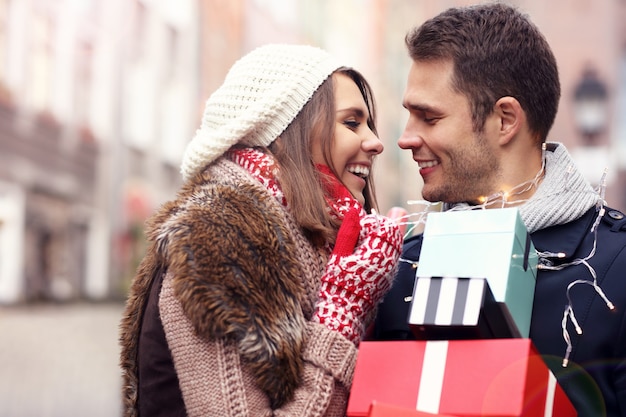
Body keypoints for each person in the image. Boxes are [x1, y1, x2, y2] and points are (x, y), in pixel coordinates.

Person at [118, 43, 403, 417]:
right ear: (283, 132)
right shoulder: (219, 241)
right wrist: (344, 307)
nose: (376, 142)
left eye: (369, 124)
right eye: (351, 123)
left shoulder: (312, 240)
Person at [370, 3, 626, 417]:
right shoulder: (399, 267)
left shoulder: (616, 268)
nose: (405, 139)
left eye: (429, 118)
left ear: (505, 119)